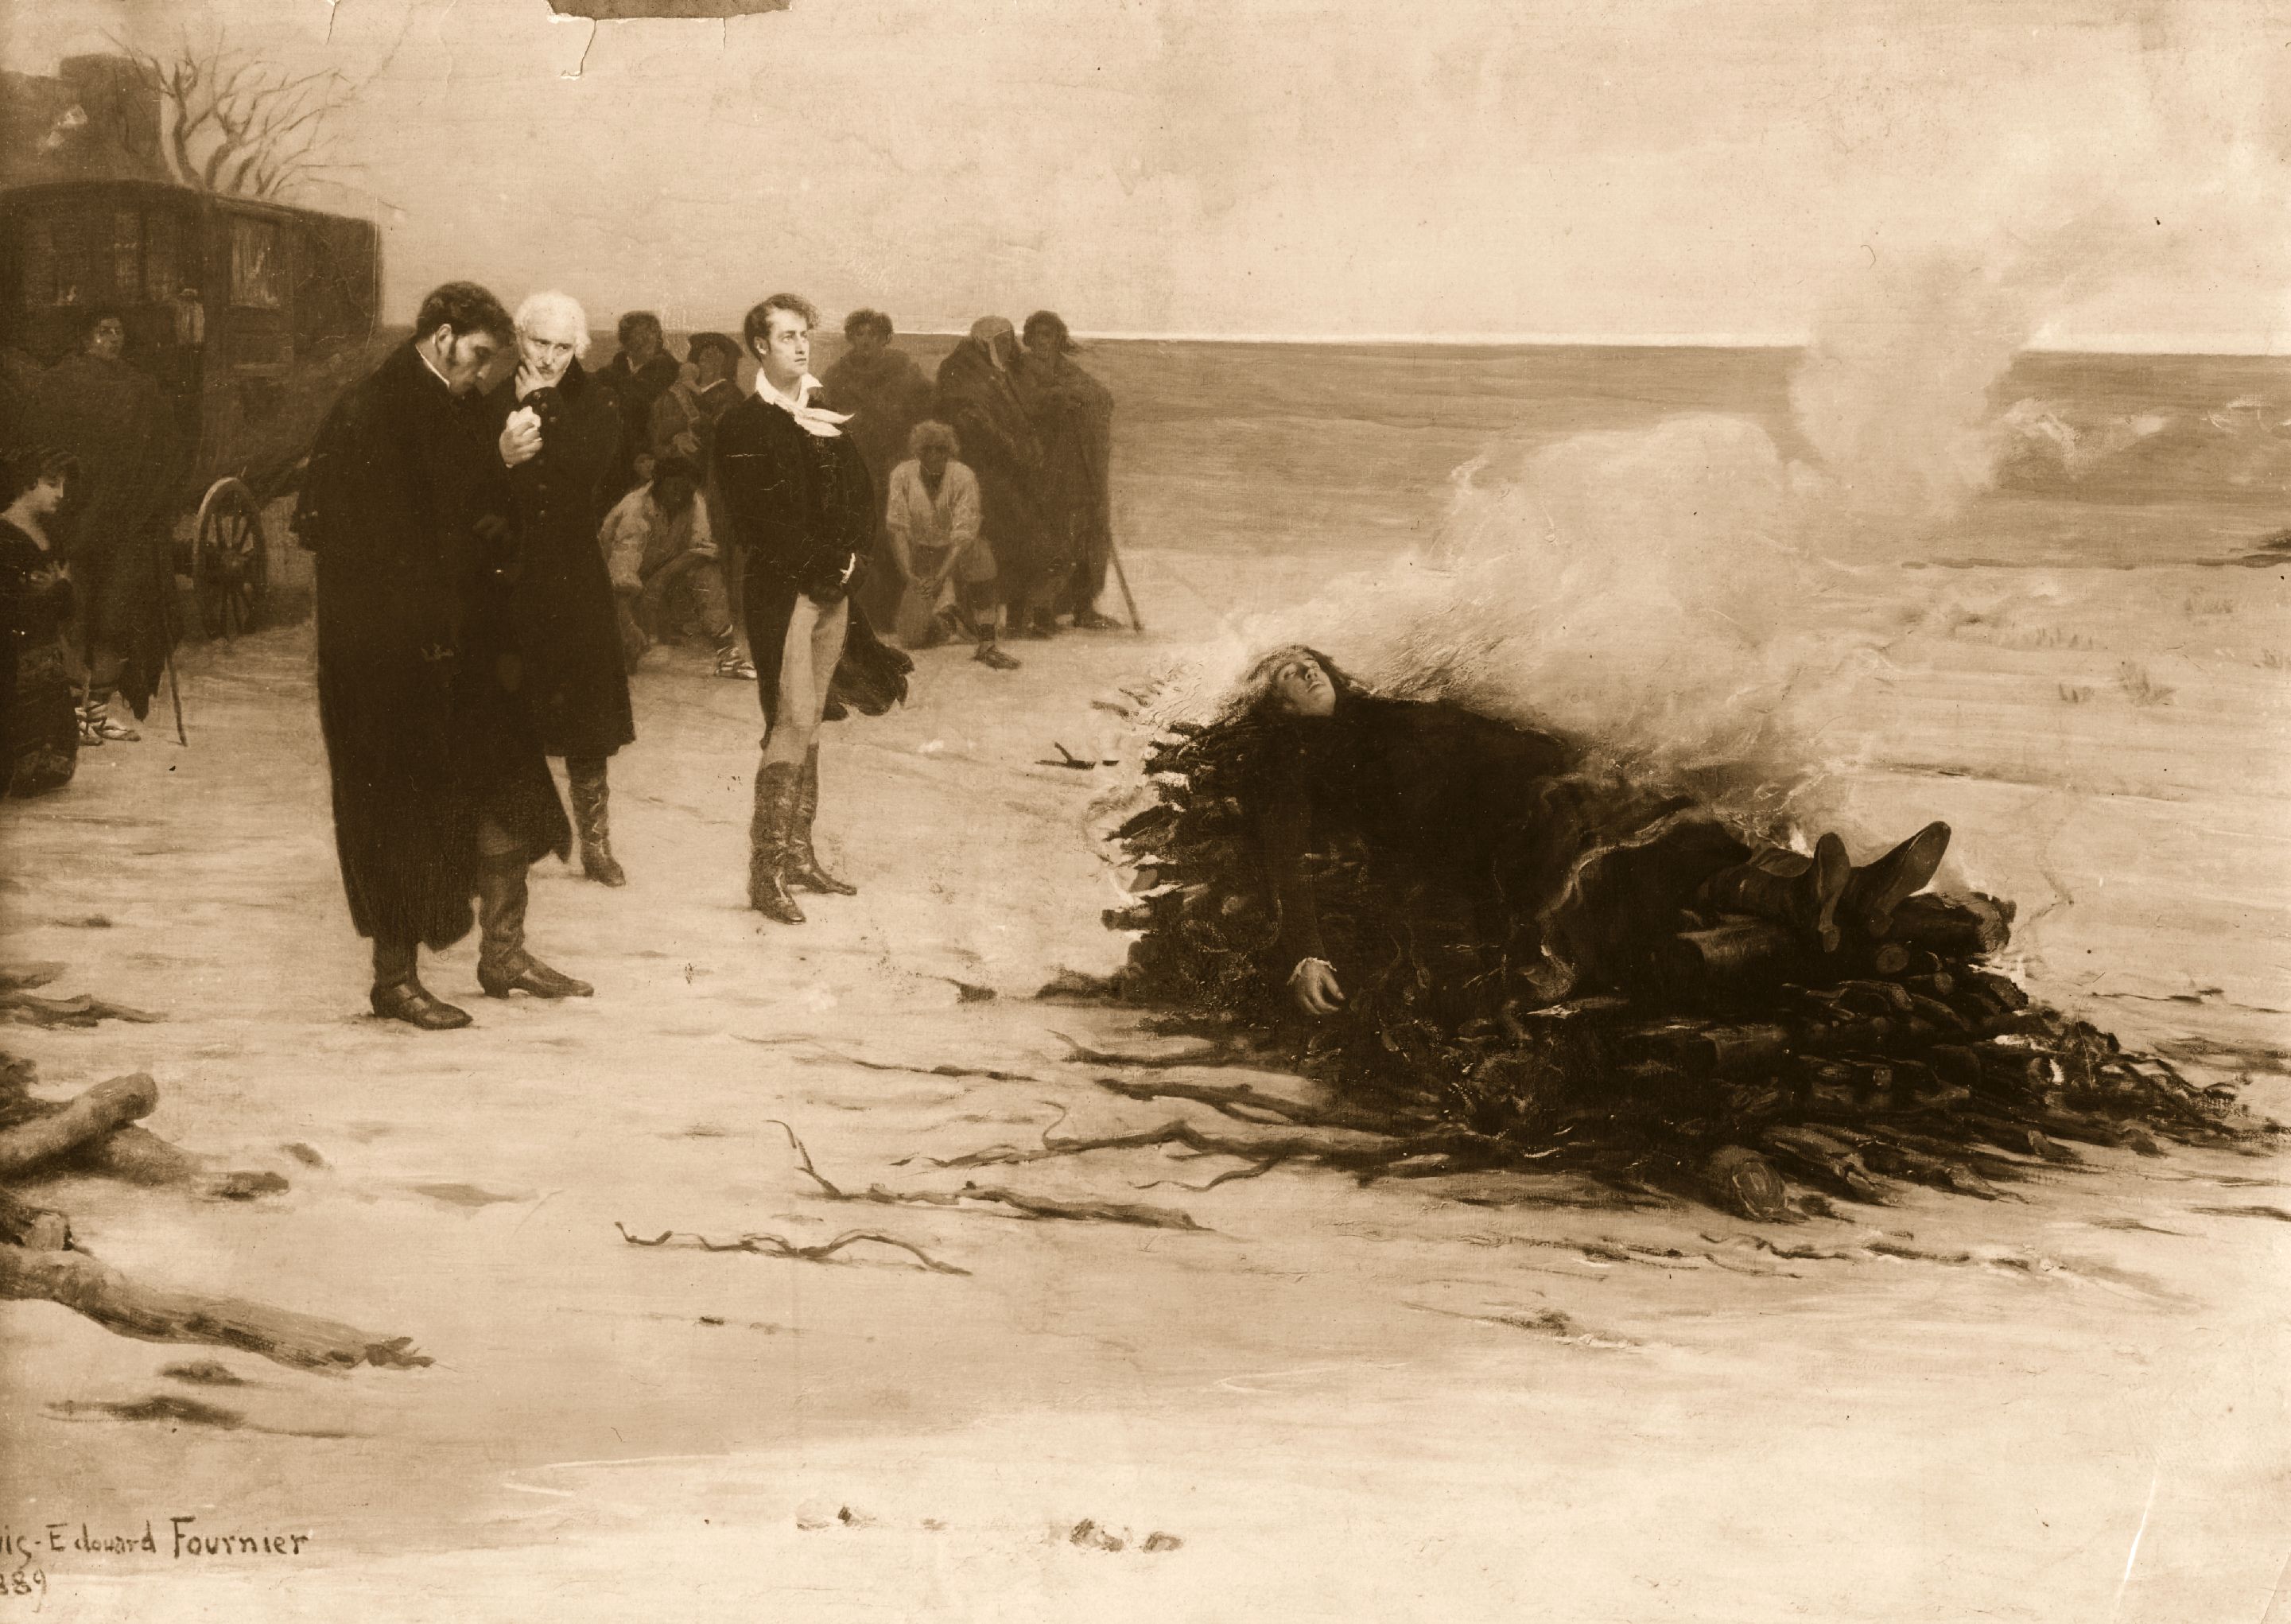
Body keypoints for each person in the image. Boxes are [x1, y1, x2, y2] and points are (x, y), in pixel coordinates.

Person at [1233, 646, 1952, 1017]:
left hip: (1545, 794)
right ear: (1279, 710)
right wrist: (1306, 955)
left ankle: (1844, 891)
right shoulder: (1293, 766)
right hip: (1488, 846)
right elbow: (1282, 859)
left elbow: (1499, 737)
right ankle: (1829, 899)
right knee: (1617, 856)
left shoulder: (1394, 710)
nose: (1303, 671)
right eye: (1285, 679)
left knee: (1663, 813)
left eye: (1307, 662)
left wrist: (1581, 759)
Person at [297, 280, 588, 1031]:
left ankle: (503, 953)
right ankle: (393, 980)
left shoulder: (441, 401)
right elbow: (386, 537)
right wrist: (496, 462)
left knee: (506, 781)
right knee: (398, 810)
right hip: (388, 655)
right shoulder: (374, 409)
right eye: (480, 356)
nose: (484, 373)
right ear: (443, 335)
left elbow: (467, 522)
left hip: (454, 647)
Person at [713, 293, 904, 924]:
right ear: (760, 347)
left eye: (806, 336)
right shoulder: (742, 427)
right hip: (781, 591)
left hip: (835, 590)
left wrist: (855, 561)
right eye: (787, 336)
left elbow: (859, 495)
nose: (801, 346)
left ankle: (798, 856)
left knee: (813, 716)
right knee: (790, 715)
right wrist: (823, 568)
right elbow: (758, 522)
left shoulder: (821, 413)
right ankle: (764, 873)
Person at [478, 291, 635, 888]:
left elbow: (583, 475)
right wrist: (498, 458)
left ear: (580, 349)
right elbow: (468, 487)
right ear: (519, 337)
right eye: (537, 342)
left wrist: (540, 402)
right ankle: (509, 842)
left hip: (570, 573)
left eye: (562, 347)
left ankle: (595, 845)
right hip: (506, 573)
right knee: (503, 712)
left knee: (586, 714)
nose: (546, 358)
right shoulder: (490, 401)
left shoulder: (597, 401)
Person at [30, 307, 185, 744]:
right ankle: (74, 714)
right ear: (85, 338)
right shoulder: (60, 384)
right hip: (76, 520)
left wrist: (154, 504)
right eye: (103, 332)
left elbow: (169, 454)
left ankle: (96, 713)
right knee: (74, 615)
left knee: (116, 619)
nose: (113, 339)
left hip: (128, 523)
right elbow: (42, 447)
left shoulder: (142, 389)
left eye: (119, 332)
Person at [934, 317, 1058, 639]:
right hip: (977, 472)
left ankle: (1018, 616)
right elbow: (969, 419)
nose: (1008, 347)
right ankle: (976, 618)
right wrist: (1010, 445)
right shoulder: (959, 370)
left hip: (1008, 472)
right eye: (1001, 341)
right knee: (981, 544)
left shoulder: (1001, 370)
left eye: (1009, 340)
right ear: (983, 341)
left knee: (1021, 539)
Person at [821, 308, 934, 627]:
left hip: (895, 465)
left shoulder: (904, 369)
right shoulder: (836, 374)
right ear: (850, 338)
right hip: (856, 466)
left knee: (894, 534)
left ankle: (893, 612)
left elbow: (926, 407)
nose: (866, 340)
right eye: (859, 334)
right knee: (860, 536)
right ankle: (860, 613)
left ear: (886, 338)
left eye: (873, 334)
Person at [599, 454, 751, 678]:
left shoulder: (693, 501)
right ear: (658, 483)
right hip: (607, 589)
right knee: (620, 654)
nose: (681, 496)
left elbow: (703, 550)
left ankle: (728, 653)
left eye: (687, 490)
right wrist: (629, 625)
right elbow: (621, 576)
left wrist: (662, 579)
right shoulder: (636, 509)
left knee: (705, 571)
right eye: (675, 488)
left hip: (654, 576)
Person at [882, 420, 1016, 668]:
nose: (934, 455)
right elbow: (897, 529)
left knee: (981, 553)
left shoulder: (963, 476)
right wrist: (910, 574)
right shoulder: (902, 474)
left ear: (950, 451)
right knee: (912, 637)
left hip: (960, 550)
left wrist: (941, 576)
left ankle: (987, 640)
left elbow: (964, 532)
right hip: (924, 553)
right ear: (917, 451)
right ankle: (950, 621)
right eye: (927, 449)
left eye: (940, 449)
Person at [1019, 310, 1120, 631]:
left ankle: (1084, 606)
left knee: (1086, 535)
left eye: (1048, 335)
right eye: (1036, 335)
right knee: (1051, 539)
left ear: (1058, 339)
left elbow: (1102, 397)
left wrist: (1077, 402)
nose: (1041, 342)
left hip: (1077, 467)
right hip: (1043, 469)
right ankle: (1041, 609)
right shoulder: (1022, 370)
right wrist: (1059, 399)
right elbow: (1027, 407)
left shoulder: (1068, 370)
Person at [0, 447, 82, 798]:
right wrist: (45, 592)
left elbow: (66, 607)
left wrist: (58, 588)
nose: (60, 495)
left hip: (46, 656)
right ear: (27, 484)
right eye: (52, 485)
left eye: (63, 486)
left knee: (53, 761)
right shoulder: (5, 534)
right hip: (12, 656)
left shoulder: (50, 532)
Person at [595, 310, 680, 499]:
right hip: (614, 454)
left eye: (650, 333)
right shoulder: (612, 371)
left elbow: (640, 403)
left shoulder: (669, 370)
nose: (645, 340)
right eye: (638, 334)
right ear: (626, 341)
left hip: (648, 454)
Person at [649, 332, 744, 471]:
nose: (709, 355)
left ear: (726, 362)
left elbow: (720, 440)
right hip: (667, 467)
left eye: (717, 352)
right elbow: (655, 432)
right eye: (705, 351)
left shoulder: (731, 394)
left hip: (704, 473)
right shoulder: (675, 391)